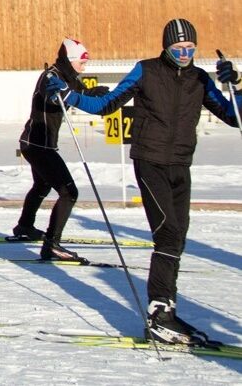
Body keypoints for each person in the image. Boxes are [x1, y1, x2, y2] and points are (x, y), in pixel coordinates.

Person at [47, 18, 240, 346]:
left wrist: (234, 86)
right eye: (178, 48)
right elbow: (107, 104)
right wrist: (71, 96)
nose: (184, 54)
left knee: (178, 238)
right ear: (166, 46)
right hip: (150, 162)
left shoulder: (199, 78)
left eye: (190, 48)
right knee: (168, 234)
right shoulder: (146, 70)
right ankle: (158, 314)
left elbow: (235, 117)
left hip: (181, 165)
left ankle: (169, 308)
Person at [14, 38, 109, 262]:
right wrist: (60, 97)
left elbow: (79, 95)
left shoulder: (69, 79)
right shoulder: (52, 76)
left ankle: (25, 226)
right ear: (70, 60)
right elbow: (50, 96)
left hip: (38, 144)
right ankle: (52, 245)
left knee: (42, 184)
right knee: (69, 192)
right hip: (38, 146)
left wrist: (93, 94)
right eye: (81, 63)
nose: (84, 68)